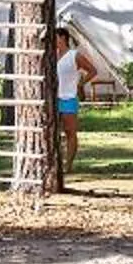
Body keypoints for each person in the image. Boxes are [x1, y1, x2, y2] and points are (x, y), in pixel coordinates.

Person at [52, 25, 82, 176]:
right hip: (54, 98)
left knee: (70, 132)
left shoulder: (74, 55)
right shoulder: (52, 56)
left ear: (63, 38)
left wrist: (80, 83)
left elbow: (93, 70)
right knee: (54, 132)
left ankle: (68, 164)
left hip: (69, 97)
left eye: (55, 37)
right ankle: (55, 161)